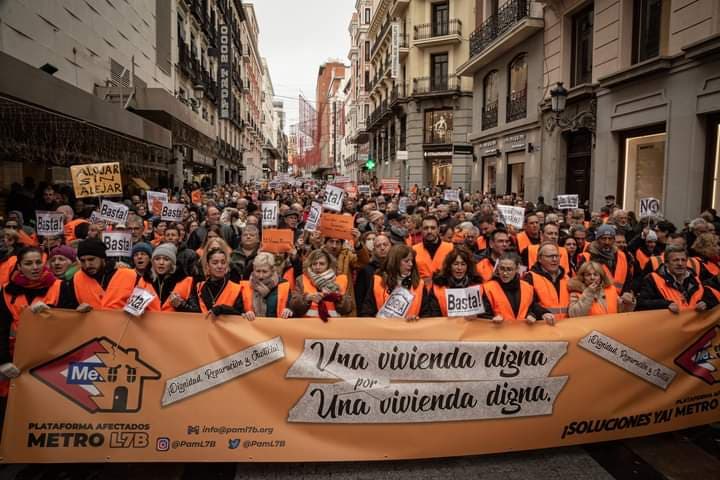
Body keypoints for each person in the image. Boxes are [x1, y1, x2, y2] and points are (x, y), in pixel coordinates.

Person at [0, 247, 58, 405]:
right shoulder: (6, 291)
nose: (35, 267)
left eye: (38, 262)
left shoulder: (59, 286)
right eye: (28, 263)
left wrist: (52, 313)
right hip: (15, 362)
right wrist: (3, 361)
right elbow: (2, 328)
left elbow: (68, 325)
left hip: (48, 361)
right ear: (19, 267)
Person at [48, 238, 137, 311]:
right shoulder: (75, 280)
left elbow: (145, 308)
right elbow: (66, 311)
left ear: (102, 258)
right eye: (83, 261)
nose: (87, 265)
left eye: (91, 259)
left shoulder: (129, 275)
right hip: (91, 330)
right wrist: (77, 310)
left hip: (123, 330)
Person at [637, 245, 717, 313]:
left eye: (683, 260)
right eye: (675, 260)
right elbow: (641, 303)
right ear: (666, 263)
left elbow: (713, 294)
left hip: (695, 327)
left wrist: (706, 302)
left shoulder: (694, 277)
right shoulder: (652, 279)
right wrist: (666, 304)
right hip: (670, 328)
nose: (680, 264)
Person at [359, 244, 425, 320]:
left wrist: (416, 319)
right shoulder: (377, 281)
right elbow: (367, 312)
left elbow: (427, 315)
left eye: (412, 261)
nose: (411, 264)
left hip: (411, 329)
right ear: (395, 262)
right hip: (383, 330)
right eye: (406, 261)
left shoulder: (420, 284)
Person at [481, 253, 549, 324]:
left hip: (522, 333)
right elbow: (482, 316)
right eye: (502, 269)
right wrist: (492, 319)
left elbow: (532, 307)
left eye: (509, 269)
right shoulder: (488, 288)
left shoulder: (527, 287)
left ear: (517, 269)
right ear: (497, 268)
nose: (505, 273)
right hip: (498, 332)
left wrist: (540, 314)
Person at [289, 249, 352, 320]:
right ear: (310, 264)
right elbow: (293, 306)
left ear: (328, 265)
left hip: (332, 326)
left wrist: (338, 298)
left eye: (321, 264)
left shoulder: (340, 280)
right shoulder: (301, 279)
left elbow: (348, 309)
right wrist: (307, 298)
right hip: (308, 327)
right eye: (314, 264)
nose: (317, 267)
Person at [578, 224, 634, 299]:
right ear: (597, 240)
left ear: (614, 240)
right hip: (597, 300)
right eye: (603, 238)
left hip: (619, 299)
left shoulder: (621, 256)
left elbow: (628, 279)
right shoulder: (587, 257)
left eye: (610, 239)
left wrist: (624, 295)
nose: (607, 242)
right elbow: (581, 281)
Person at [137, 243, 195, 312]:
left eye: (166, 259)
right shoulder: (144, 280)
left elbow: (197, 313)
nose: (161, 262)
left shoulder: (187, 281)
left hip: (174, 322)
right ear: (152, 262)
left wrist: (181, 305)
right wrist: (139, 309)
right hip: (149, 322)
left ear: (172, 263)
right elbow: (132, 310)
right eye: (157, 259)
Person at [427, 247, 483, 317]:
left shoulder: (478, 287)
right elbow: (433, 315)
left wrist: (477, 315)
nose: (459, 268)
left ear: (468, 267)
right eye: (456, 264)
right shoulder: (437, 288)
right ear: (449, 266)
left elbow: (485, 315)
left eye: (463, 264)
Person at [568, 261, 635, 316]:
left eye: (596, 274)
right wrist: (589, 293)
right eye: (588, 275)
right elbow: (574, 314)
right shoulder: (576, 293)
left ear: (601, 277)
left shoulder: (611, 290)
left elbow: (622, 312)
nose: (592, 278)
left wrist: (628, 302)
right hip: (589, 330)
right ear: (583, 277)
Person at [239, 252, 293, 320]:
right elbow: (237, 310)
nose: (261, 276)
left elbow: (291, 307)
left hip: (276, 328)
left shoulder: (284, 285)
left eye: (264, 272)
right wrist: (244, 313)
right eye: (258, 271)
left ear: (272, 270)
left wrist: (289, 310)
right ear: (253, 269)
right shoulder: (244, 286)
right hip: (250, 328)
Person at [525, 243, 569, 324]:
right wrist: (542, 313)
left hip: (566, 328)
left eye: (557, 256)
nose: (555, 259)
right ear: (539, 259)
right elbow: (528, 303)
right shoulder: (530, 277)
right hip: (543, 328)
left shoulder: (567, 278)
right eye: (550, 256)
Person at [192, 247, 244, 315]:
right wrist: (181, 304)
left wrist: (221, 309)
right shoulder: (199, 287)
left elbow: (240, 314)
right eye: (215, 263)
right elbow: (193, 312)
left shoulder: (236, 288)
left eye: (223, 262)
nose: (220, 266)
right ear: (208, 266)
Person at [354, 233, 391, 309]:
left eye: (385, 245)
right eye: (378, 246)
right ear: (374, 250)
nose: (382, 248)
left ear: (391, 246)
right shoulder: (366, 270)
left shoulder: (396, 267)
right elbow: (359, 298)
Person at [413, 215, 454, 283]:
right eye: (426, 228)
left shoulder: (451, 248)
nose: (429, 231)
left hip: (445, 290)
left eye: (433, 228)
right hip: (422, 291)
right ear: (421, 229)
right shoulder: (414, 250)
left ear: (438, 229)